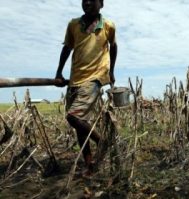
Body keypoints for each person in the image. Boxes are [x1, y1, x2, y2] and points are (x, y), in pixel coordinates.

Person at [55, 0, 117, 176]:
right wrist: (58, 73)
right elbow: (67, 48)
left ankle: (103, 142)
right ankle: (89, 165)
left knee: (74, 117)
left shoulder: (108, 26)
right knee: (79, 125)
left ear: (101, 4)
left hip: (96, 78)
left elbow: (114, 47)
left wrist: (111, 71)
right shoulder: (74, 24)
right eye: (84, 0)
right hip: (75, 79)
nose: (87, 2)